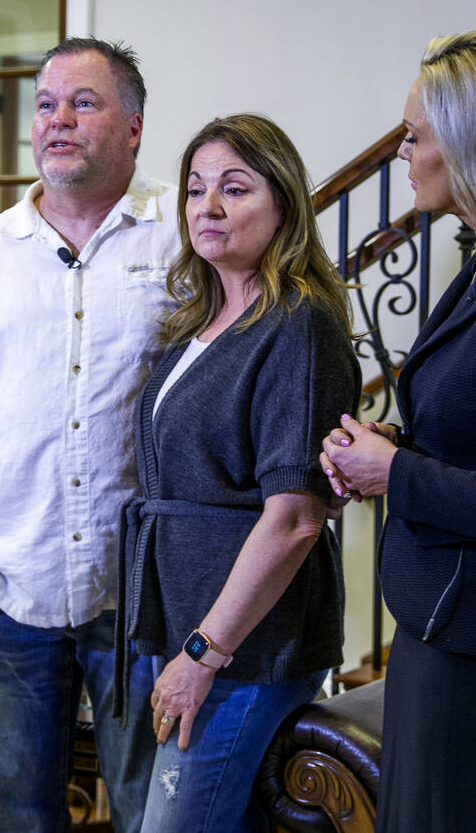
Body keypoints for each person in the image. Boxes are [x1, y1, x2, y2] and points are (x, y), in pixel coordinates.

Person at [0, 37, 180, 832]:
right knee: (24, 810)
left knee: (146, 811)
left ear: (133, 125)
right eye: (46, 104)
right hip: (16, 588)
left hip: (144, 594)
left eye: (84, 103)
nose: (58, 121)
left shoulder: (184, 239)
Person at [118, 113, 360, 832]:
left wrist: (203, 651)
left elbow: (293, 519)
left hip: (244, 648)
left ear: (283, 203)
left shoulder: (298, 325)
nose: (208, 208)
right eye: (195, 190)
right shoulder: (198, 321)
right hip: (181, 624)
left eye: (234, 188)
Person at [321, 30, 476, 833]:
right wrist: (392, 444)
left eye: (416, 134)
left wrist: (394, 476)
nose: (402, 150)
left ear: (471, 144)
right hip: (440, 619)